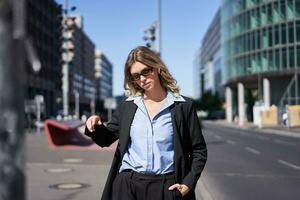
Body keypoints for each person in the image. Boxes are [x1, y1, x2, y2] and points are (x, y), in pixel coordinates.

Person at [85, 46, 207, 200]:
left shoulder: (183, 106)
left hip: (167, 187)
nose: (142, 79)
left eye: (146, 72)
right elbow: (106, 139)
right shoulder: (128, 105)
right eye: (136, 76)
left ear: (157, 68)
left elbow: (199, 151)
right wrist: (95, 125)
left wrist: (188, 184)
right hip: (128, 186)